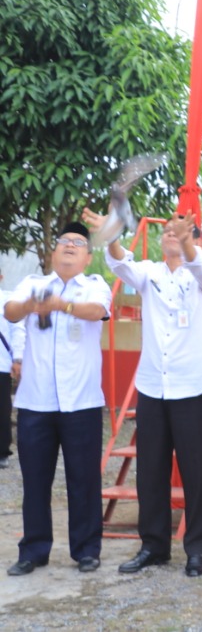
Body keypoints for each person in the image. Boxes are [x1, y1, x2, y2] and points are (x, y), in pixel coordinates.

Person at [86, 209, 202, 577]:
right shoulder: (151, 272)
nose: (170, 235)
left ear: (195, 237)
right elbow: (120, 264)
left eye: (180, 231)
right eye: (167, 231)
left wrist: (188, 242)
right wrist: (111, 234)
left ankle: (196, 549)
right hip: (152, 386)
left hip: (191, 387)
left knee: (194, 472)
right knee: (149, 471)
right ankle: (154, 546)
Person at [4, 221, 111, 576]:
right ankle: (34, 550)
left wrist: (61, 305)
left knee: (83, 479)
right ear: (53, 252)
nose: (69, 246)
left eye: (78, 243)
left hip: (81, 402)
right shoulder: (34, 284)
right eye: (64, 241)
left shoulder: (95, 286)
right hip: (36, 402)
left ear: (87, 257)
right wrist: (34, 305)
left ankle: (86, 550)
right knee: (35, 480)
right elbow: (10, 311)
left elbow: (97, 312)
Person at [0, 268, 24, 470]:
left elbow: (17, 329)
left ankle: (2, 451)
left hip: (1, 363)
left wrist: (18, 357)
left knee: (2, 408)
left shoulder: (8, 301)